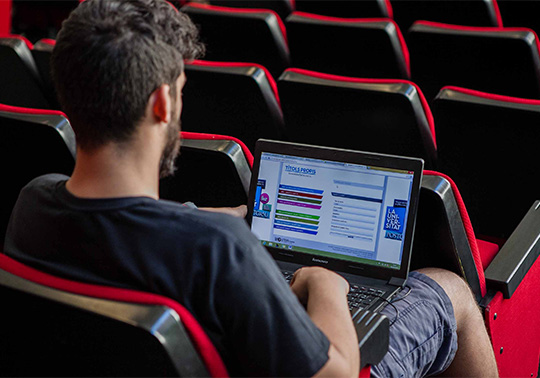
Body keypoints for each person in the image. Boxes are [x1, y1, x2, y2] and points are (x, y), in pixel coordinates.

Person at [4, 0, 499, 376]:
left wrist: (208, 217)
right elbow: (336, 373)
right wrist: (321, 283)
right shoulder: (221, 251)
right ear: (160, 104)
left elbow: (130, 231)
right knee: (452, 290)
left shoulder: (33, 200)